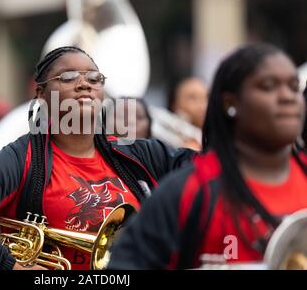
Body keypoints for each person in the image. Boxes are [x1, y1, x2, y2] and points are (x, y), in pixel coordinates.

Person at [0, 46, 195, 270]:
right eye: (68, 77)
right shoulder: (20, 159)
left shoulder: (138, 153)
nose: (84, 85)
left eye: (94, 78)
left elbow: (211, 168)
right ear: (41, 94)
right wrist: (10, 265)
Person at [107, 43, 307, 269]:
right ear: (231, 103)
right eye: (269, 86)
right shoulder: (189, 190)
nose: (288, 97)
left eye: (294, 86)